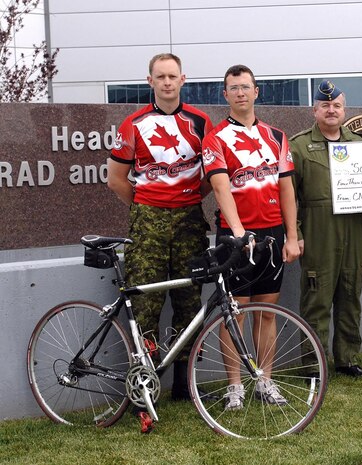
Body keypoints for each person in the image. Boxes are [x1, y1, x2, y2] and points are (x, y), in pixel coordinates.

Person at [108, 53, 212, 431]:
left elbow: (209, 175)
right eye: (160, 77)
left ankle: (185, 383)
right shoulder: (134, 123)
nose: (167, 82)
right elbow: (117, 179)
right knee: (146, 302)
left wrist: (185, 199)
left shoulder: (200, 122)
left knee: (189, 300)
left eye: (173, 76)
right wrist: (148, 206)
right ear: (150, 80)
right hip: (148, 220)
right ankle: (143, 387)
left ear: (183, 79)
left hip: (189, 220)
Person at [201, 64, 300, 410]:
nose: (240, 92)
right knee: (235, 312)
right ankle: (234, 387)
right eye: (233, 88)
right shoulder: (214, 138)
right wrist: (241, 234)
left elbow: (286, 188)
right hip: (235, 238)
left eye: (246, 86)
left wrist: (291, 235)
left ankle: (265, 381)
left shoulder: (276, 136)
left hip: (272, 235)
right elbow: (219, 186)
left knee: (267, 312)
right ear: (225, 95)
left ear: (257, 92)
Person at [289, 80, 362, 378]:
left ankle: (347, 358)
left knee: (351, 293)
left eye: (336, 105)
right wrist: (295, 234)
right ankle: (314, 363)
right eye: (325, 105)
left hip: (353, 230)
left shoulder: (359, 146)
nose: (331, 110)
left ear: (344, 110)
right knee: (317, 298)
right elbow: (289, 195)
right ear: (315, 110)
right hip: (317, 231)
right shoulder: (298, 146)